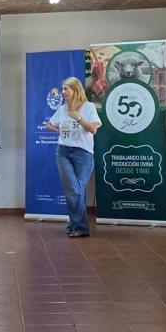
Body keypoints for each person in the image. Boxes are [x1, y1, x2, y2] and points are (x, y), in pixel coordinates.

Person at [45, 77, 101, 238]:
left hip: (83, 153)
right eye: (62, 89)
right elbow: (49, 124)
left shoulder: (89, 107)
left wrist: (77, 116)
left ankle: (76, 225)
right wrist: (60, 131)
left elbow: (93, 130)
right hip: (63, 152)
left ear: (76, 90)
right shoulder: (62, 109)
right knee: (73, 189)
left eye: (66, 89)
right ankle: (80, 226)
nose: (63, 92)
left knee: (76, 190)